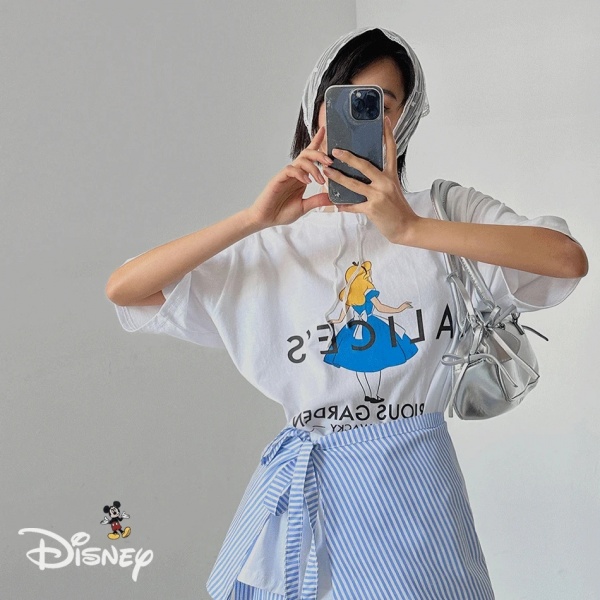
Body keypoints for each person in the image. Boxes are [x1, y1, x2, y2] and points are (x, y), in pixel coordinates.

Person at [106, 26, 588, 600]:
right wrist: (253, 220)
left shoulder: (442, 212)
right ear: (317, 110)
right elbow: (126, 289)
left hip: (414, 497)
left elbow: (566, 259)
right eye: (346, 99)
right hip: (305, 492)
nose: (364, 116)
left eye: (382, 104)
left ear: (404, 120)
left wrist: (409, 229)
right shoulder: (269, 244)